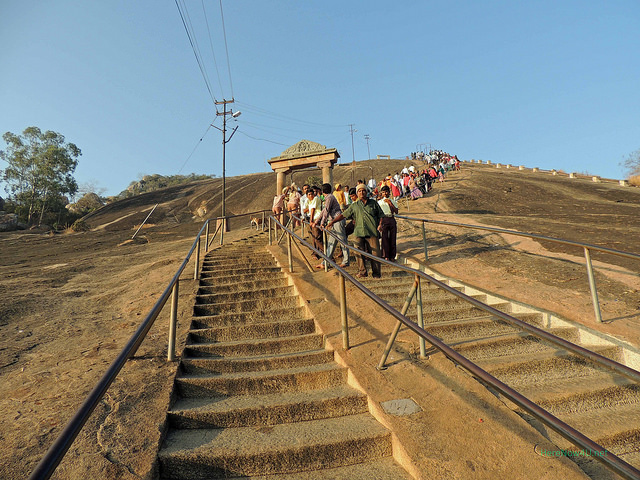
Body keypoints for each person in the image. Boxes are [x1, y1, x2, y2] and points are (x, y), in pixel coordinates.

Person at [327, 183, 384, 278]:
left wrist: (380, 224)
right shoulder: (354, 206)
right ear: (357, 193)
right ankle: (362, 271)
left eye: (363, 191)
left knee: (375, 254)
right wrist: (332, 222)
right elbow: (343, 215)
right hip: (358, 232)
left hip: (372, 232)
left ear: (366, 192)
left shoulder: (373, 203)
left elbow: (381, 215)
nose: (361, 193)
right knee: (357, 251)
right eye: (359, 191)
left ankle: (376, 274)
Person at [313, 183, 350, 268]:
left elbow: (326, 211)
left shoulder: (329, 197)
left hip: (338, 220)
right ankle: (325, 263)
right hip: (333, 221)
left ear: (322, 191)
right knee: (331, 243)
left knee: (342, 240)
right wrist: (317, 221)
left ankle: (346, 261)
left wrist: (322, 223)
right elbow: (323, 211)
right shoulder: (328, 198)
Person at [378, 185, 398, 261]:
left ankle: (392, 256)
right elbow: (379, 214)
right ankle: (385, 255)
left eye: (386, 192)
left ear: (389, 192)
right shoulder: (379, 202)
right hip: (384, 219)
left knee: (393, 237)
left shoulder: (393, 201)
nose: (385, 193)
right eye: (383, 192)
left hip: (391, 218)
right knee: (385, 238)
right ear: (381, 193)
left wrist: (390, 203)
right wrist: (380, 224)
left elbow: (396, 211)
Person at [306, 188, 323, 258]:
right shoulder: (310, 201)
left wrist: (311, 220)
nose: (311, 196)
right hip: (315, 219)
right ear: (307, 196)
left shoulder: (315, 199)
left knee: (317, 238)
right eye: (309, 194)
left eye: (312, 194)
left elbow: (313, 210)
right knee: (316, 237)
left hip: (316, 219)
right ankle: (319, 253)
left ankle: (327, 255)